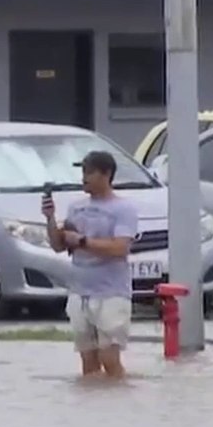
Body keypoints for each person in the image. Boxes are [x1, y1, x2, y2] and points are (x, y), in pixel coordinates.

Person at [44, 150, 139, 379]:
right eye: (83, 171)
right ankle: (92, 406)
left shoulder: (123, 209)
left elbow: (120, 248)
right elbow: (59, 245)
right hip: (79, 292)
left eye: (90, 172)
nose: (84, 177)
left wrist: (84, 241)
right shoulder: (76, 208)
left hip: (111, 294)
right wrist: (50, 218)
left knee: (109, 358)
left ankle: (119, 399)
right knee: (88, 361)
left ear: (106, 174)